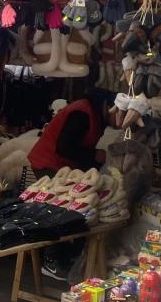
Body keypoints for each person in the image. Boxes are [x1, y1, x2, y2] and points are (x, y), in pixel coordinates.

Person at [27, 87, 107, 280]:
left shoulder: (94, 114)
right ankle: (51, 260)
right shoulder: (82, 112)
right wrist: (93, 156)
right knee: (58, 209)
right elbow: (65, 146)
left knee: (70, 210)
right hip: (50, 163)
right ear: (107, 106)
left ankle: (67, 256)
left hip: (64, 166)